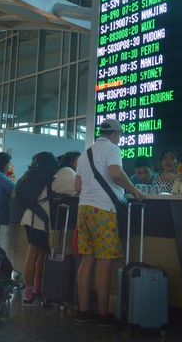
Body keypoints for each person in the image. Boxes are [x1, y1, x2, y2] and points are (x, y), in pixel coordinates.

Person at [74, 119, 143, 327]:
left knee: (87, 260)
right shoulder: (113, 149)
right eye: (120, 135)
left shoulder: (85, 154)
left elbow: (77, 186)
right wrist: (134, 190)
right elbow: (115, 173)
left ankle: (83, 311)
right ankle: (103, 314)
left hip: (83, 209)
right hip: (103, 210)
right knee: (104, 262)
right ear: (116, 134)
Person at [20, 152, 80, 305]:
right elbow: (80, 189)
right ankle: (29, 292)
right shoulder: (67, 172)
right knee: (34, 253)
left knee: (42, 253)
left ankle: (36, 289)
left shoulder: (57, 172)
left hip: (33, 216)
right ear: (73, 160)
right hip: (38, 218)